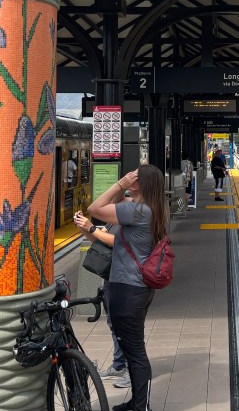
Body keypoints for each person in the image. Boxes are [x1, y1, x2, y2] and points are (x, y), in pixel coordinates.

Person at [88, 165, 170, 411]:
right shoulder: (150, 209)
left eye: (135, 177)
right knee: (133, 347)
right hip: (137, 288)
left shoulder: (138, 211)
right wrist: (123, 188)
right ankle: (136, 402)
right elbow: (107, 208)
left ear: (140, 185)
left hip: (128, 288)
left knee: (134, 351)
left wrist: (121, 183)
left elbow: (94, 209)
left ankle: (140, 406)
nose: (129, 178)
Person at [73, 209, 130, 389]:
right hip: (111, 276)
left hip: (125, 278)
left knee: (126, 326)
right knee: (114, 323)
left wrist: (91, 228)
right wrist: (85, 228)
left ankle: (131, 370)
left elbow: (118, 243)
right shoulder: (115, 220)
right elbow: (100, 240)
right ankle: (119, 365)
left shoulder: (132, 218)